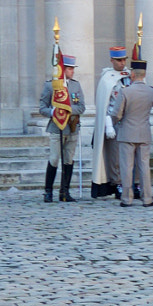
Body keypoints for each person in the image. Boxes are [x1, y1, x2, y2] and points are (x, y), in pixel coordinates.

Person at [108, 60, 153, 208]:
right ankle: (147, 198)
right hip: (144, 131)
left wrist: (117, 122)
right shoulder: (152, 91)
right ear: (145, 74)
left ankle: (127, 198)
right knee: (144, 166)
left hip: (127, 132)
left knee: (126, 167)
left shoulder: (126, 91)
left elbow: (116, 113)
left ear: (133, 74)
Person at [38, 54, 85, 203]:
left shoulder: (76, 85)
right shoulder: (50, 85)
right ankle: (48, 191)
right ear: (62, 69)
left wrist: (67, 110)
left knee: (69, 160)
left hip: (71, 126)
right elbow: (42, 108)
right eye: (70, 68)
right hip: (56, 127)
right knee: (54, 159)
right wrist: (54, 112)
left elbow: (81, 106)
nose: (72, 71)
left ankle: (65, 191)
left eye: (73, 68)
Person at [89, 47, 129, 200]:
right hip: (113, 121)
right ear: (112, 60)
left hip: (128, 119)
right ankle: (117, 183)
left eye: (124, 60)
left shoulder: (129, 76)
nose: (122, 63)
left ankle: (131, 184)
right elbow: (104, 104)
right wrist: (108, 124)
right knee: (115, 157)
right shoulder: (107, 78)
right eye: (119, 60)